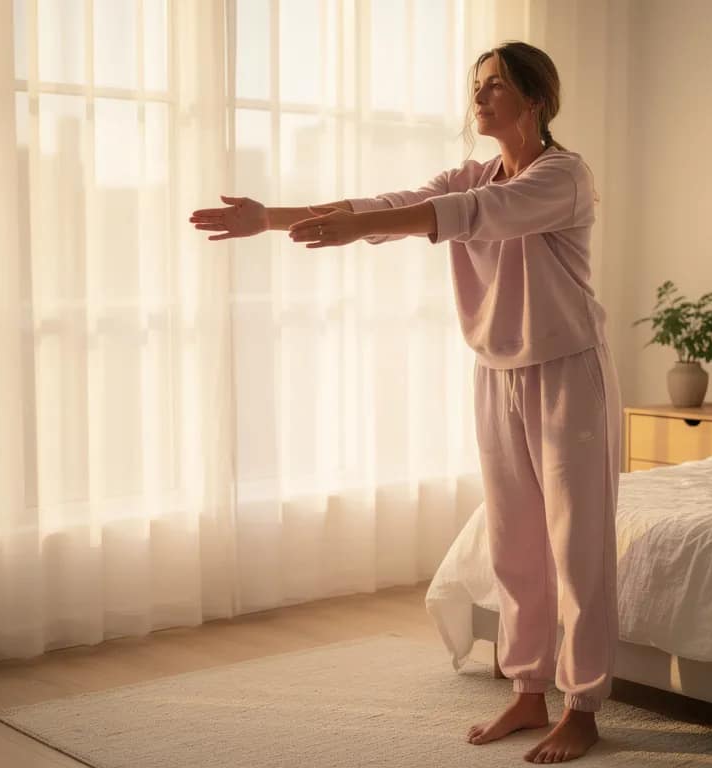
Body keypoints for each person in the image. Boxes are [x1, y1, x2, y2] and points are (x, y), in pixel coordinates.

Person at [188, 40, 621, 765]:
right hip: (497, 370)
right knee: (515, 544)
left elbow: (476, 213)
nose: (478, 98)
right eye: (476, 87)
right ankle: (527, 687)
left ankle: (583, 705)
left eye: (495, 88)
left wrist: (367, 226)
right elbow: (397, 206)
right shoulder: (471, 171)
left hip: (569, 373)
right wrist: (268, 218)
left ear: (536, 100)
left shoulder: (563, 176)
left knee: (576, 549)